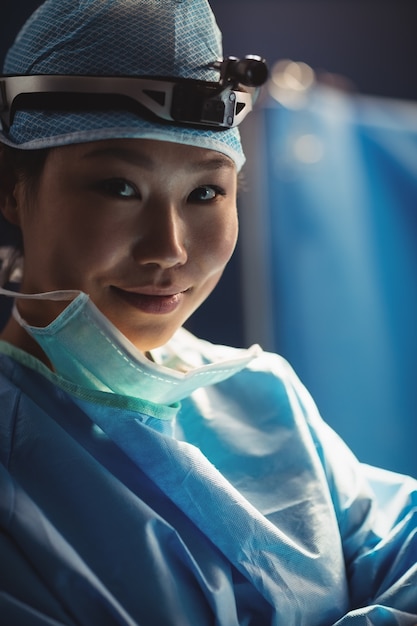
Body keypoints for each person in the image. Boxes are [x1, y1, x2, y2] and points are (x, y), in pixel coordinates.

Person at [0, 1, 416, 624]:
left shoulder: (262, 397)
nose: (168, 248)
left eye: (204, 193)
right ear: (11, 185)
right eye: (119, 188)